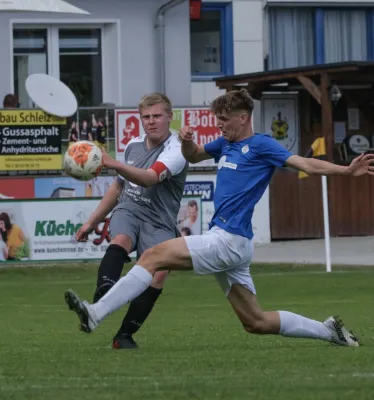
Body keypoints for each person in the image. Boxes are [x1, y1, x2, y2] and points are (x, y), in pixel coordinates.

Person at [65, 89, 373, 347]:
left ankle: (95, 314)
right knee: (256, 322)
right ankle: (328, 331)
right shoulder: (226, 143)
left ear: (243, 118)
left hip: (228, 240)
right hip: (232, 243)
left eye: (224, 120)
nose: (220, 126)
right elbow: (194, 155)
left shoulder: (261, 144)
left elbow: (302, 162)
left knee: (153, 256)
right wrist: (186, 140)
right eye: (217, 120)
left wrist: (345, 170)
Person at [69, 93, 188, 349]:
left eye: (157, 116)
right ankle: (103, 295)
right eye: (146, 117)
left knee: (158, 275)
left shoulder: (178, 148)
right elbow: (118, 188)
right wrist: (91, 222)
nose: (151, 121)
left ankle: (123, 336)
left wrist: (112, 163)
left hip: (160, 219)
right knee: (122, 238)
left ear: (170, 116)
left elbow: (148, 178)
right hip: (130, 209)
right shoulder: (134, 145)